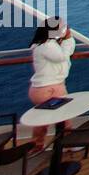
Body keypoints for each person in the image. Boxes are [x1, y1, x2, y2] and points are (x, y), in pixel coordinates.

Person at [27, 17, 75, 151]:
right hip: (49, 89)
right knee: (64, 120)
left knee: (43, 122)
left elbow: (62, 54)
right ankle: (67, 146)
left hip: (44, 88)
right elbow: (62, 56)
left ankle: (37, 146)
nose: (64, 29)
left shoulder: (44, 45)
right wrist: (68, 39)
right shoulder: (47, 46)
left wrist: (64, 40)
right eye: (61, 27)